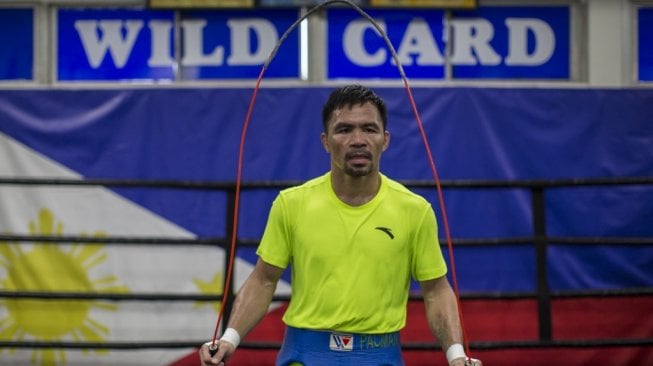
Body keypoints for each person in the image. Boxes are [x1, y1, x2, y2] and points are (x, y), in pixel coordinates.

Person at [199, 85, 482, 366]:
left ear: (385, 140)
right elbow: (264, 278)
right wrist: (228, 339)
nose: (358, 139)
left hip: (380, 356)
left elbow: (436, 290)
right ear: (325, 140)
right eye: (344, 129)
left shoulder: (415, 211)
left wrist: (457, 356)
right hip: (303, 355)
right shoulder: (291, 203)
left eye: (369, 129)